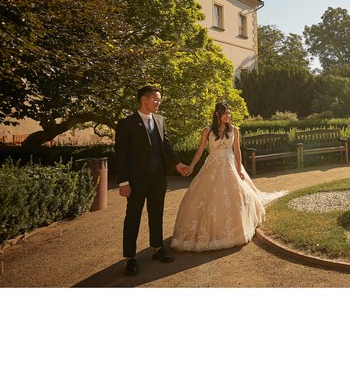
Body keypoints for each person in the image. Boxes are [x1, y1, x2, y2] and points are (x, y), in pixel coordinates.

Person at [171, 103, 286, 252]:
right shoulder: (207, 131)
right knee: (206, 199)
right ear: (217, 114)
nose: (228, 116)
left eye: (229, 113)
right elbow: (200, 151)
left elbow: (237, 151)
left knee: (241, 195)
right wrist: (192, 166)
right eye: (225, 113)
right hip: (212, 166)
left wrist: (239, 170)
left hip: (230, 165)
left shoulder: (234, 130)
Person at [115, 86, 190, 276]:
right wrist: (123, 182)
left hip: (158, 177)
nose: (158, 103)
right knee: (133, 217)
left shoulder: (160, 120)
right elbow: (121, 155)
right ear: (144, 99)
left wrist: (177, 163)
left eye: (159, 100)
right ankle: (129, 258)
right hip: (136, 179)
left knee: (156, 213)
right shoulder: (126, 123)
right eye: (156, 99)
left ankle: (157, 248)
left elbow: (165, 144)